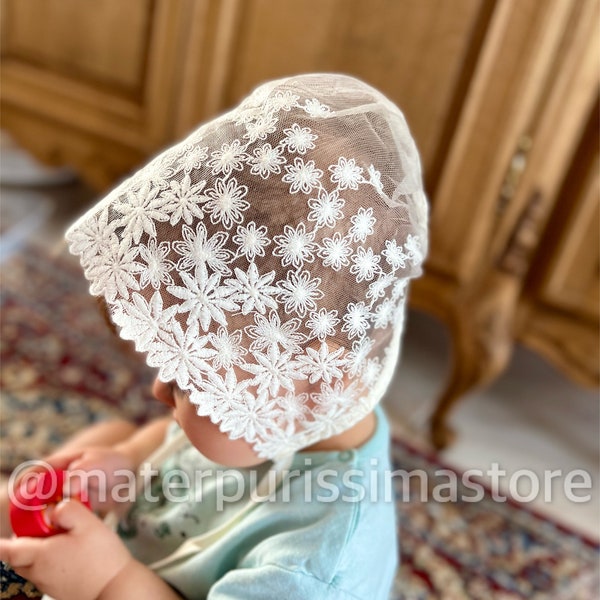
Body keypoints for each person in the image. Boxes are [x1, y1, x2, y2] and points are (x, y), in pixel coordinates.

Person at [0, 73, 428, 599]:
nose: (160, 390)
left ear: (312, 379)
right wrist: (131, 459)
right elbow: (175, 439)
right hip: (156, 535)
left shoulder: (313, 570)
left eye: (192, 377)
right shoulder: (286, 406)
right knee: (107, 437)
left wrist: (108, 581)